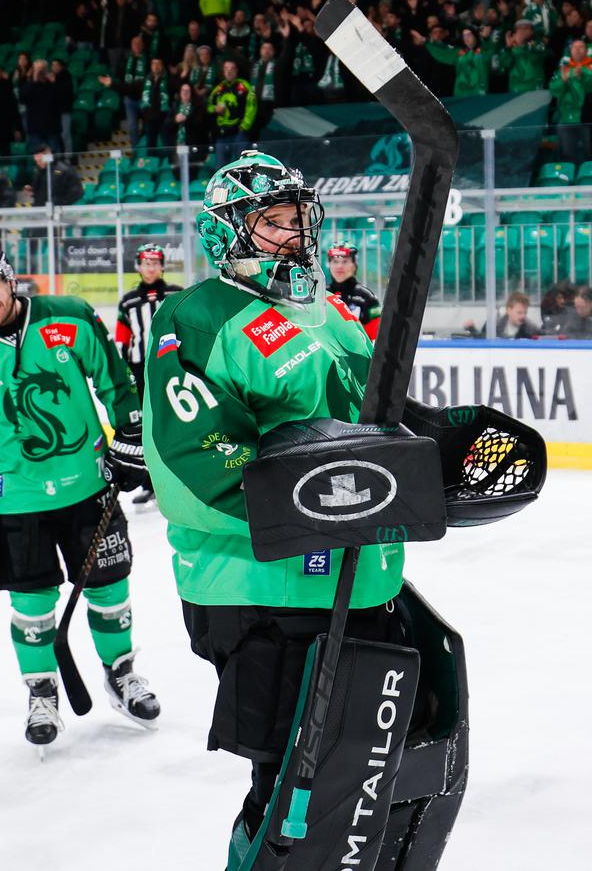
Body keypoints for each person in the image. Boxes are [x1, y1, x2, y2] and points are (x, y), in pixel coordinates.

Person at [142, 152, 469, 867]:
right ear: (229, 231)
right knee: (290, 787)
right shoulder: (197, 316)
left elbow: (376, 426)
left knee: (361, 783)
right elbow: (197, 463)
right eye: (273, 221)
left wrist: (436, 459)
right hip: (260, 588)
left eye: (299, 219)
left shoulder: (333, 315)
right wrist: (338, 503)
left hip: (365, 578)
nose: (293, 233)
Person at [0, 240, 161, 745]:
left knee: (110, 589)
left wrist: (128, 436)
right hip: (17, 503)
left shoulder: (69, 318)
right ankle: (41, 691)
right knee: (32, 603)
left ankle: (120, 672)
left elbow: (116, 381)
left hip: (88, 487)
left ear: (9, 279)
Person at [115, 243, 182, 504]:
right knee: (148, 425)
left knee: (175, 421)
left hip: (170, 367)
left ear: (162, 266)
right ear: (139, 266)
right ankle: (150, 481)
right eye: (146, 263)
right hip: (140, 371)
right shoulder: (129, 301)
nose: (151, 267)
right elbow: (122, 340)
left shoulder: (176, 295)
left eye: (155, 263)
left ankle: (178, 476)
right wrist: (123, 371)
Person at [326, 239, 382, 339]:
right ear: (329, 265)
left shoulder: (367, 297)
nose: (339, 266)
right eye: (335, 261)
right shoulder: (321, 295)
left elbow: (375, 338)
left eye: (345, 261)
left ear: (354, 265)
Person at [208, 59, 257, 166]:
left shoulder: (244, 86)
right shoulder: (219, 89)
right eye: (226, 69)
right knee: (221, 168)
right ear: (223, 71)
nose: (229, 71)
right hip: (222, 134)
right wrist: (215, 109)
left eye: (232, 68)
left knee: (241, 166)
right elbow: (208, 106)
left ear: (236, 70)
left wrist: (244, 126)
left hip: (239, 134)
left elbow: (252, 107)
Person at [464, 290, 540, 338]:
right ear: (509, 310)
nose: (523, 316)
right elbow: (483, 339)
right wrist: (472, 329)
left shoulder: (531, 329)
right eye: (519, 312)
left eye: (525, 312)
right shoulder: (494, 324)